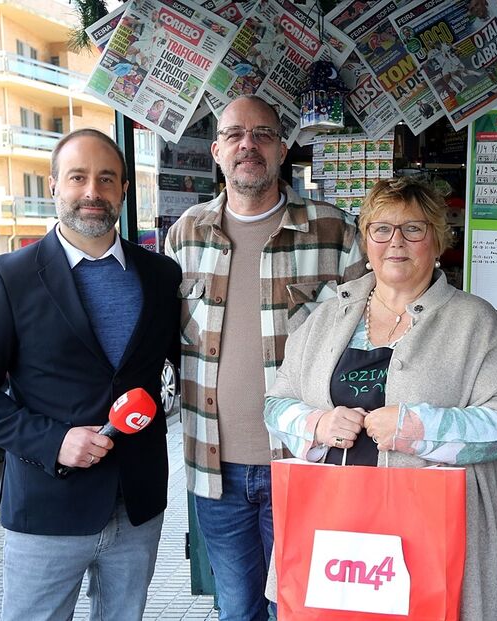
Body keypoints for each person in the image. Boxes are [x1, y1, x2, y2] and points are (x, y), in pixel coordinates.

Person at [0, 128, 181, 620]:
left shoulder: (160, 276)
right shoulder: (11, 277)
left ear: (123, 191)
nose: (92, 192)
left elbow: (172, 366)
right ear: (54, 187)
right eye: (78, 177)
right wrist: (53, 441)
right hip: (47, 507)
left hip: (137, 505)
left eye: (106, 178)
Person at [264, 176, 497, 621]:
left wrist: (417, 430)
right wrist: (318, 424)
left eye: (414, 229)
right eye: (381, 229)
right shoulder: (329, 315)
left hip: (428, 541)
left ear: (438, 239)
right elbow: (275, 404)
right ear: (366, 241)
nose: (396, 242)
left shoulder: (474, 322)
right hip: (333, 533)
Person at [165, 94, 365, 621]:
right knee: (236, 611)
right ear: (216, 151)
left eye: (261, 134)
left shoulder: (336, 232)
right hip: (214, 468)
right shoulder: (185, 234)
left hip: (304, 463)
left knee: (301, 610)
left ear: (283, 149)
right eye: (234, 135)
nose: (247, 145)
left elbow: (372, 346)